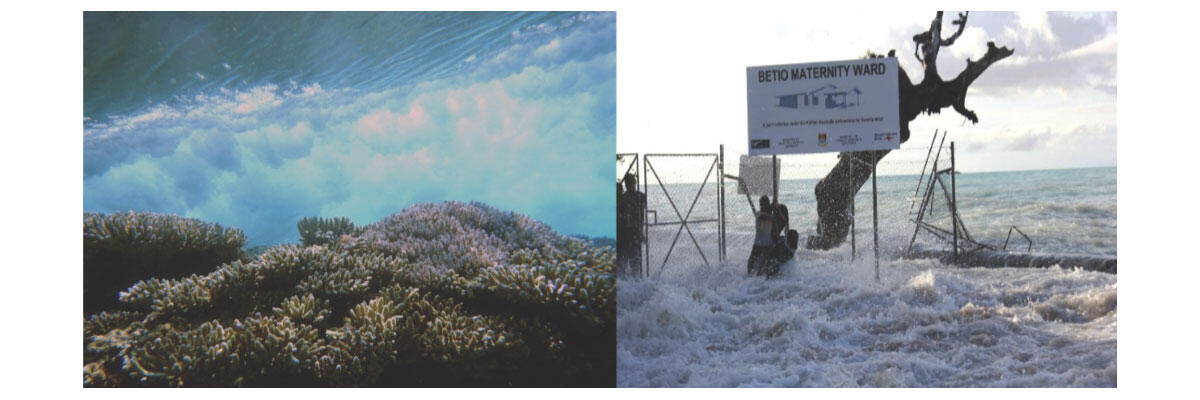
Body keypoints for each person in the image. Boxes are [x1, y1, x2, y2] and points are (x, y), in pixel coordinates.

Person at [618, 173, 646, 276]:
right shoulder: (639, 197)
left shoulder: (624, 198)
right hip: (630, 235)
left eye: (631, 183)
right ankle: (633, 284)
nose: (631, 186)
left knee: (628, 266)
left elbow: (640, 216)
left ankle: (630, 285)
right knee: (632, 266)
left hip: (630, 235)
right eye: (630, 183)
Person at [748, 196, 774, 276]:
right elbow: (764, 217)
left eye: (764, 204)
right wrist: (770, 209)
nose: (762, 206)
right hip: (757, 245)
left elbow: (772, 218)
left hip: (767, 246)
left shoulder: (772, 216)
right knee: (750, 265)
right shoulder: (758, 214)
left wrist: (773, 208)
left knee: (762, 268)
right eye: (761, 204)